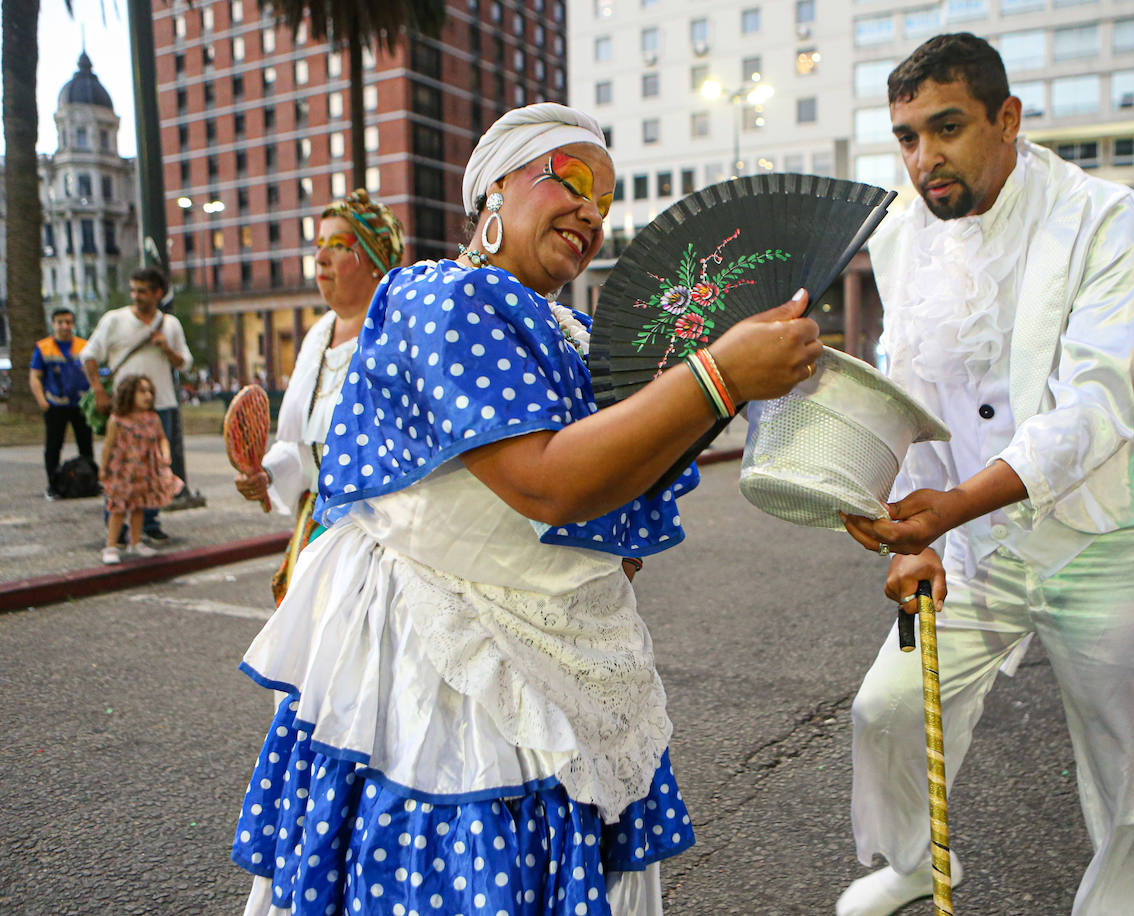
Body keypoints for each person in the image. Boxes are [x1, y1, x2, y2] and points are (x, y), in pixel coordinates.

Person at [229, 103, 822, 916]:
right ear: (495, 187)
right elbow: (545, 482)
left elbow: (610, 489)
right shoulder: (441, 297)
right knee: (466, 862)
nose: (590, 210)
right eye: (571, 180)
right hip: (448, 657)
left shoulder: (577, 332)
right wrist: (719, 374)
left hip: (562, 642)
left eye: (605, 201)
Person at [835, 34, 1134, 916]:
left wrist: (949, 506)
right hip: (977, 540)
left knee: (1130, 768)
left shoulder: (1113, 219)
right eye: (908, 136)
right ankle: (921, 865)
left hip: (1114, 531)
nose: (925, 158)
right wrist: (915, 533)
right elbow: (911, 390)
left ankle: (1118, 902)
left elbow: (1095, 407)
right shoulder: (902, 238)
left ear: (1008, 119)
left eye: (947, 127)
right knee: (885, 710)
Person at [233, 189, 404, 604]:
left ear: (375, 262)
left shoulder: (395, 334)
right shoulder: (316, 335)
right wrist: (267, 475)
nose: (321, 258)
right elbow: (303, 444)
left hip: (378, 533)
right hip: (316, 524)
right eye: (319, 245)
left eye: (339, 246)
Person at [83, 267, 193, 541]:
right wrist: (98, 389)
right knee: (123, 466)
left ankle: (149, 523)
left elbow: (186, 363)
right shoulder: (114, 320)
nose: (137, 296)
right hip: (125, 408)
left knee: (154, 468)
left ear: (158, 293)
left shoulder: (170, 325)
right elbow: (89, 354)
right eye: (134, 290)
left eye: (143, 291)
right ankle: (116, 525)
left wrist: (166, 347)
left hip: (161, 404)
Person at [98, 375, 184, 564]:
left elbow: (162, 437)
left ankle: (135, 541)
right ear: (128, 394)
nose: (147, 396)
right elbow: (108, 445)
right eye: (141, 391)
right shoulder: (118, 420)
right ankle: (111, 545)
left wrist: (165, 453)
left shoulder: (152, 419)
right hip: (123, 471)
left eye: (149, 392)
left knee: (139, 507)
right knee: (118, 508)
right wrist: (103, 468)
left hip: (144, 470)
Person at [28, 307, 93, 498]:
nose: (65, 326)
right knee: (53, 446)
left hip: (81, 404)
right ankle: (54, 485)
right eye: (60, 322)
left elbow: (92, 371)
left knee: (86, 444)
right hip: (55, 404)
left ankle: (89, 481)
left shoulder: (84, 346)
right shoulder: (43, 347)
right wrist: (42, 401)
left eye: (69, 322)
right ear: (53, 324)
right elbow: (35, 376)